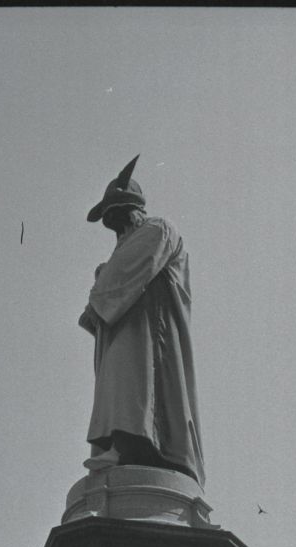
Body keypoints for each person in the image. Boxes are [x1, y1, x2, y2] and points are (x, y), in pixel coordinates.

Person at [79, 155, 205, 487]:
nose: (116, 230)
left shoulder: (158, 229)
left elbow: (128, 270)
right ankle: (120, 446)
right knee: (121, 382)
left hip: (151, 331)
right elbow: (114, 274)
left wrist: (99, 293)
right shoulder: (124, 248)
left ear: (134, 211)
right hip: (124, 324)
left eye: (117, 218)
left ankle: (132, 444)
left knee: (135, 379)